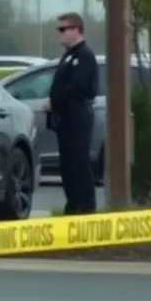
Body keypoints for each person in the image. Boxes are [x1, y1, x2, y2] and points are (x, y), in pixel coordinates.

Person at [43, 12, 98, 215]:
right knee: (67, 163)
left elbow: (78, 87)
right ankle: (73, 203)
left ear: (76, 29)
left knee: (78, 161)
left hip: (78, 116)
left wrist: (55, 101)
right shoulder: (69, 55)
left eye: (63, 29)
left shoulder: (84, 56)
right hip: (65, 117)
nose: (60, 34)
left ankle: (85, 205)